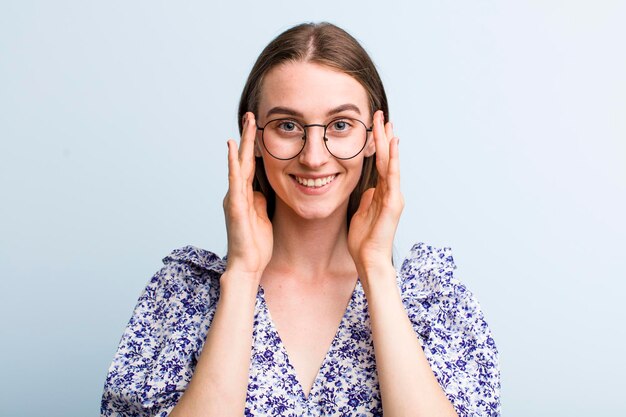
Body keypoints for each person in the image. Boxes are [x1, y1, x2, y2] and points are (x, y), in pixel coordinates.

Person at [101, 22, 500, 417]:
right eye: (288, 126)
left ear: (374, 137)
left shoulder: (431, 298)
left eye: (340, 125)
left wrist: (377, 269)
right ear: (253, 137)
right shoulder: (184, 295)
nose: (313, 156)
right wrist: (242, 275)